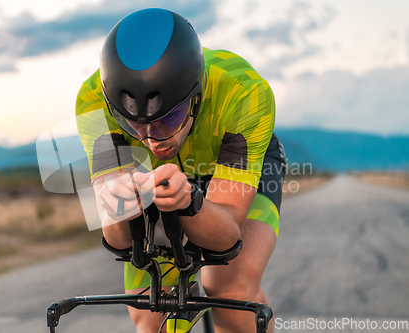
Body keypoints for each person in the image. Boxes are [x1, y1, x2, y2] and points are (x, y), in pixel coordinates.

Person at [75, 8, 286, 333]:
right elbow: (116, 239)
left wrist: (189, 202)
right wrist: (119, 206)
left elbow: (227, 234)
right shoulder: (92, 102)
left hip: (231, 166)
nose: (151, 139)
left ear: (197, 98)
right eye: (133, 124)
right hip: (158, 178)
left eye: (169, 119)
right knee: (150, 314)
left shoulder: (246, 91)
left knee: (229, 292)